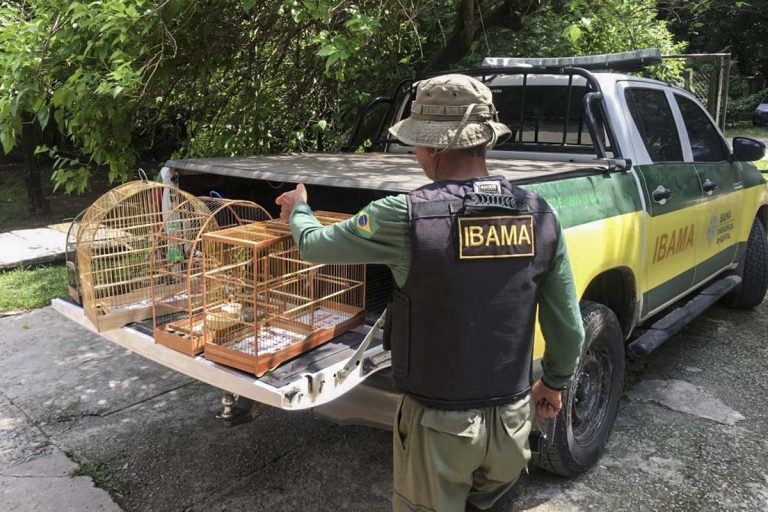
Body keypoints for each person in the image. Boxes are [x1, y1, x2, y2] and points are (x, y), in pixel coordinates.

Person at [276, 74, 585, 512]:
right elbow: (568, 329)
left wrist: (300, 209)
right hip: (514, 419)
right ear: (483, 142)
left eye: (417, 143)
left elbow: (315, 246)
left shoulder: (404, 216)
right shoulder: (540, 214)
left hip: (440, 427)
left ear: (434, 147)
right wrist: (553, 383)